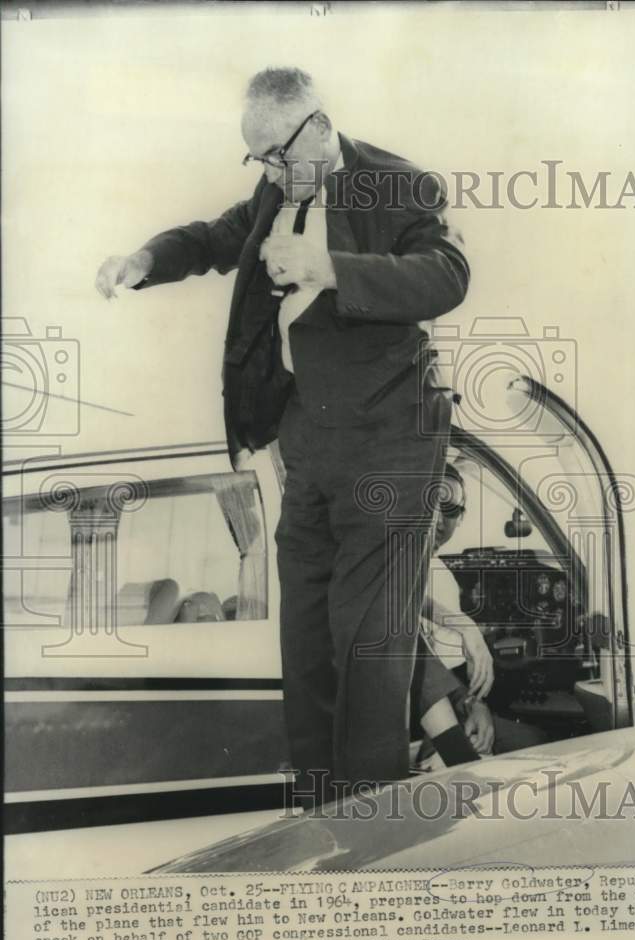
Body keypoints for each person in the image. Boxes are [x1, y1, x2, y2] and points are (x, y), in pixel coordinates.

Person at [95, 67, 469, 805]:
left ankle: (371, 819)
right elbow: (212, 236)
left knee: (367, 640)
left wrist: (331, 268)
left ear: (319, 127)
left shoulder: (398, 184)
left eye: (276, 154)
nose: (268, 172)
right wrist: (144, 261)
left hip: (390, 439)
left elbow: (447, 273)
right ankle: (320, 807)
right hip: (308, 444)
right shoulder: (277, 189)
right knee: (304, 634)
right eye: (257, 158)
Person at [413, 463, 545, 769]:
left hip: (441, 705)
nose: (438, 519)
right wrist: (466, 627)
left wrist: (475, 704)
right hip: (410, 719)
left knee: (537, 740)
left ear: (461, 517)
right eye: (428, 501)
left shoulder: (438, 573)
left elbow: (444, 668)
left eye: (450, 507)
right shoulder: (389, 570)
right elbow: (400, 596)